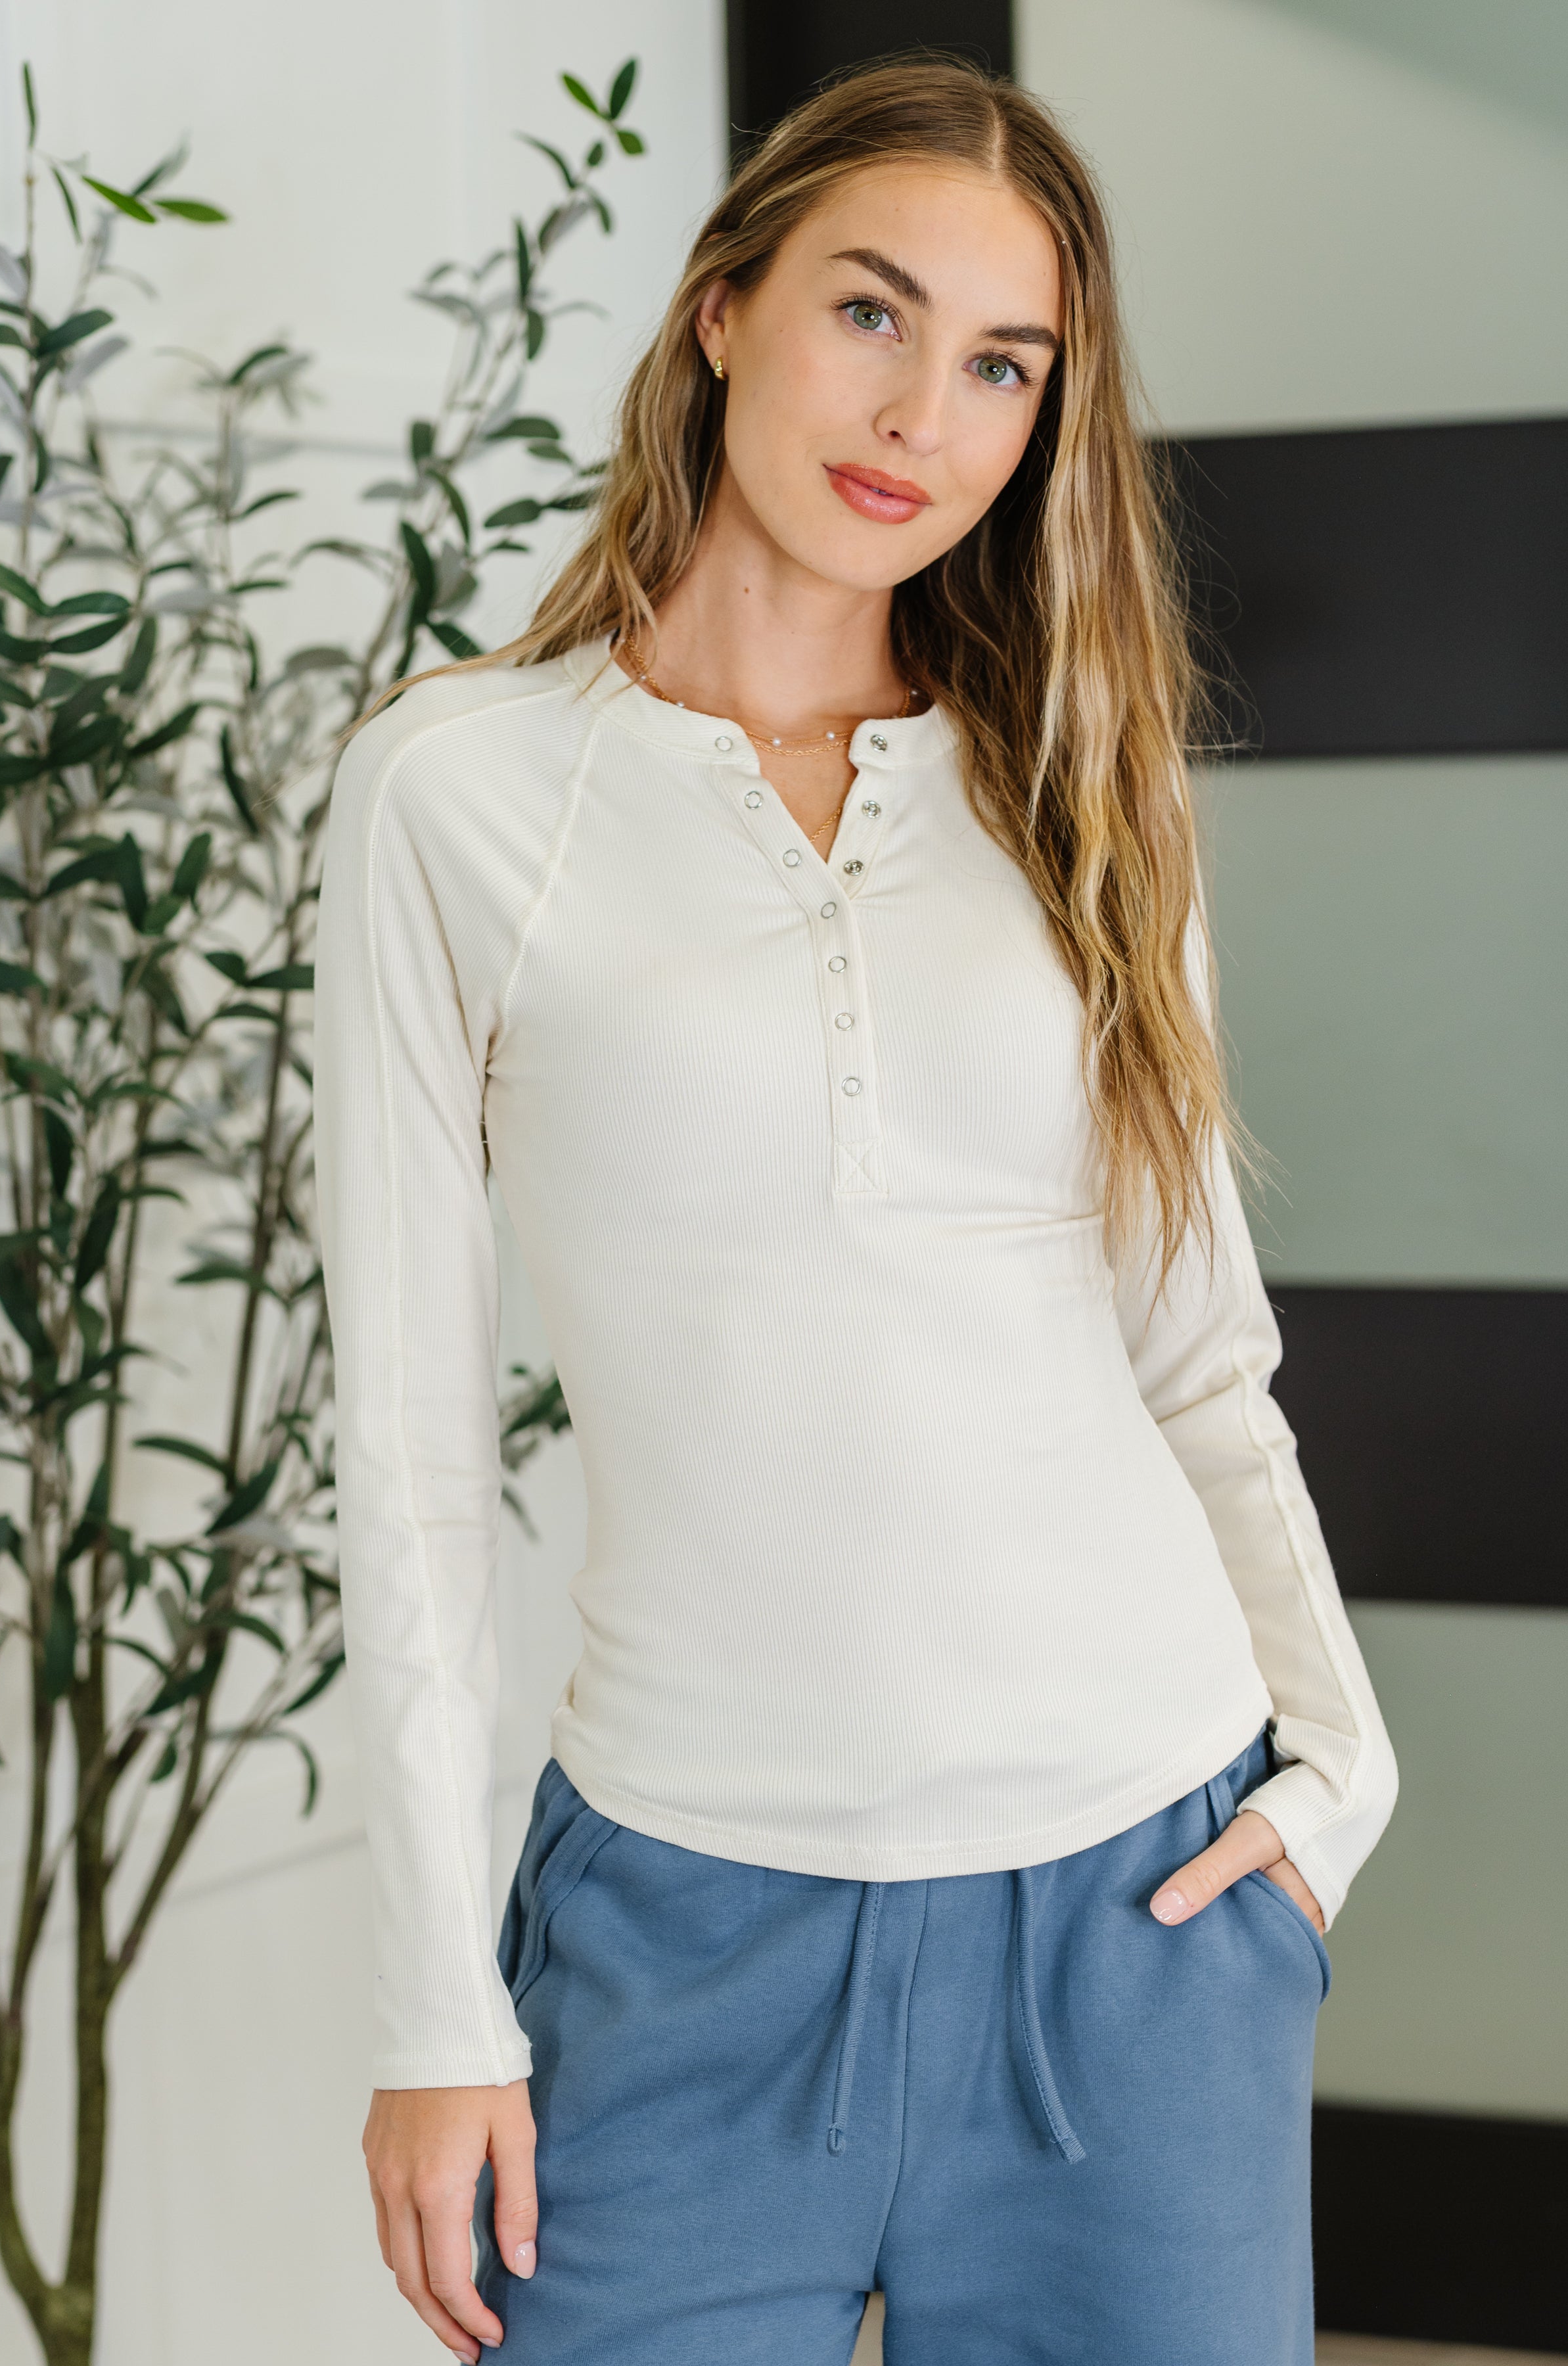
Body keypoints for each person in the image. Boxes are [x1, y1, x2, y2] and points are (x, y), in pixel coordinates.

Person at [313, 55, 1396, 2366]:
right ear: (722, 311)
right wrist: (433, 2007)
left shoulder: (1085, 798)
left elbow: (1197, 1350)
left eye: (1003, 363)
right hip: (678, 1940)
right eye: (870, 313)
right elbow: (404, 1463)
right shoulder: (453, 799)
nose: (922, 411)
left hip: (1142, 1911)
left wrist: (1339, 1770)